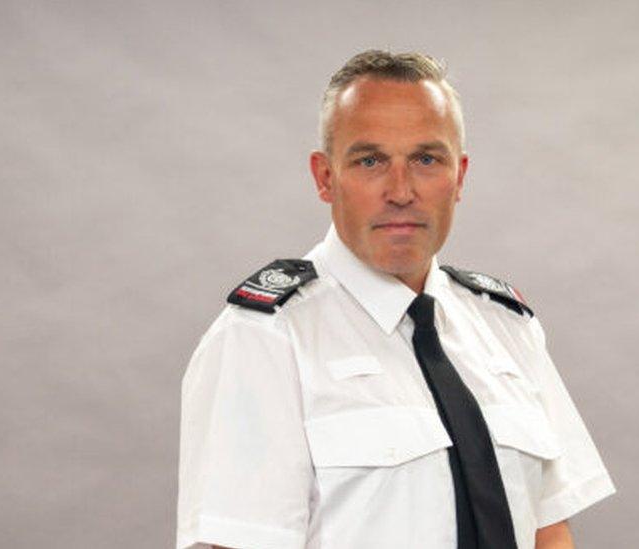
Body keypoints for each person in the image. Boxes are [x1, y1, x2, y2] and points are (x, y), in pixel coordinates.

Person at [176, 50, 616, 549]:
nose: (401, 190)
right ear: (324, 177)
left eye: (426, 160)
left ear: (460, 176)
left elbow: (548, 530)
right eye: (370, 161)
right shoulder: (263, 341)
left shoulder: (507, 328)